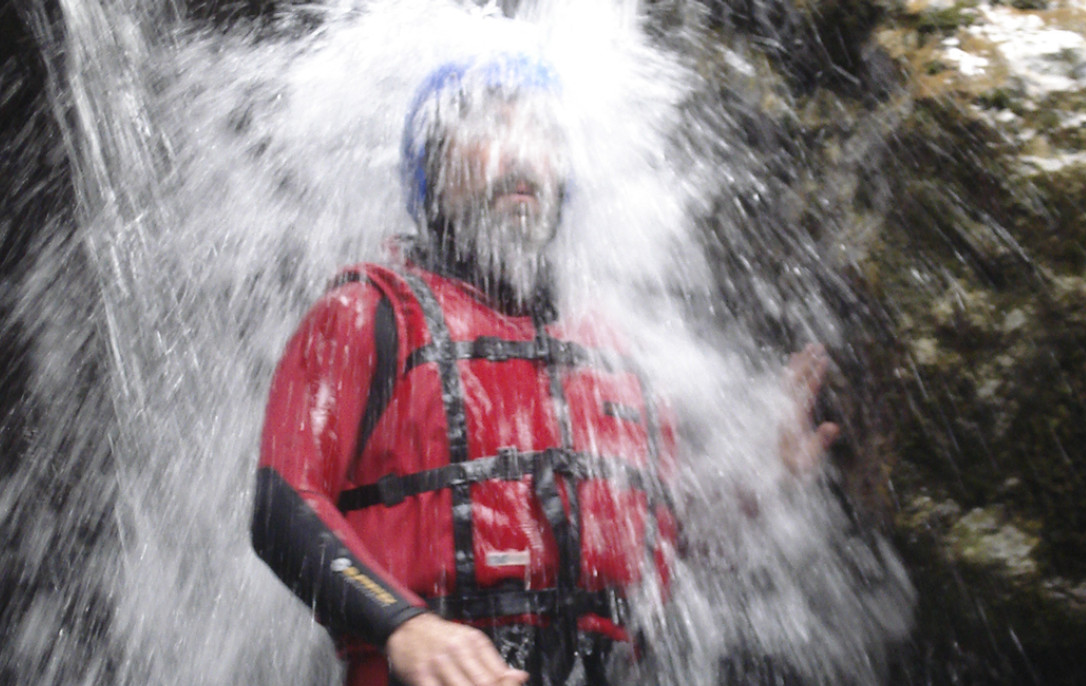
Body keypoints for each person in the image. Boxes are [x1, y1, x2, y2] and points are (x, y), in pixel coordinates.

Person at [251, 52, 838, 686]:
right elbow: (282, 509)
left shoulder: (619, 355)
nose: (521, 151)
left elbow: (663, 562)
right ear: (429, 172)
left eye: (542, 132)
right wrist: (403, 623)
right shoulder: (364, 315)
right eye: (487, 128)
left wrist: (758, 491)